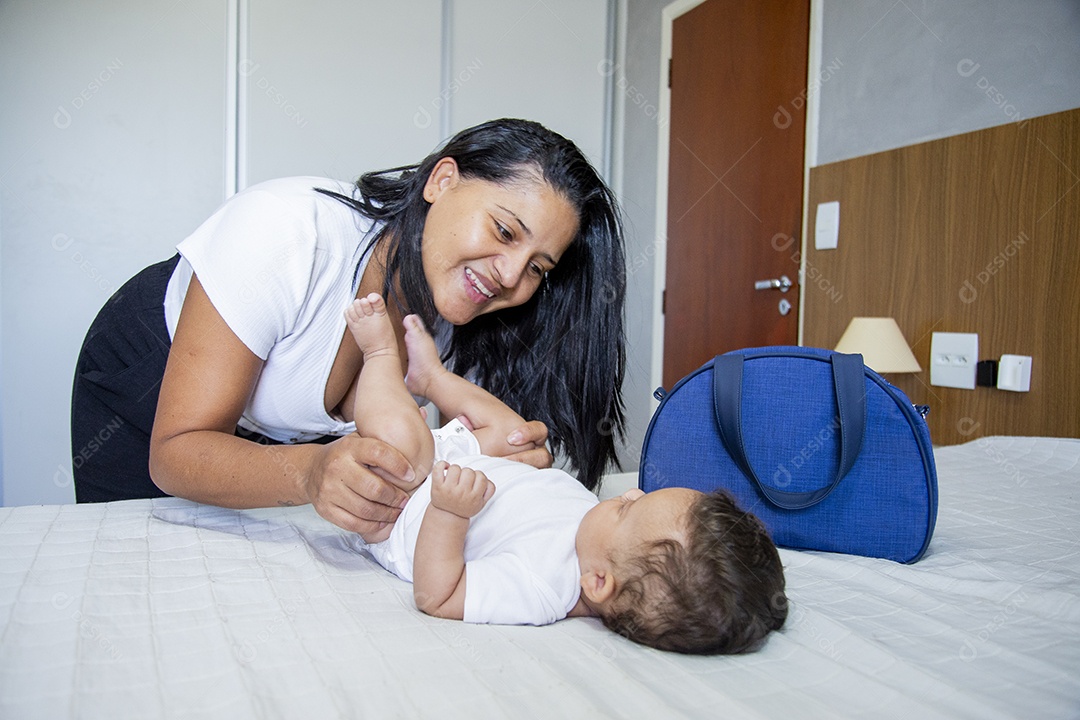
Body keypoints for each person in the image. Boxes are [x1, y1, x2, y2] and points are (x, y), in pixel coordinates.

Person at [70, 119, 626, 541]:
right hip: (149, 387)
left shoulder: (467, 308)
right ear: (442, 181)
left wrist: (499, 455)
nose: (509, 277)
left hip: (277, 438)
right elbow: (176, 454)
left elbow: (430, 451)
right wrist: (311, 472)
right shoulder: (285, 231)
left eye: (537, 267)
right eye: (504, 230)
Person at [346, 293, 787, 654]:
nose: (629, 494)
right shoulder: (590, 535)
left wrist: (449, 512)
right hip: (456, 466)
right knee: (516, 433)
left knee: (404, 445)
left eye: (625, 512)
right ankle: (431, 378)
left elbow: (437, 596)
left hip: (407, 507)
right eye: (640, 497)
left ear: (598, 582)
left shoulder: (543, 586)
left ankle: (380, 355)